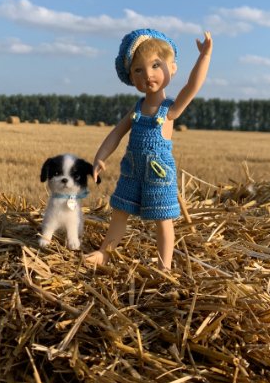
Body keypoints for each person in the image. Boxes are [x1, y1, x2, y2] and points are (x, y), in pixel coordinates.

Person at [85, 28, 213, 271]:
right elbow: (116, 133)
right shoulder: (137, 109)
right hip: (132, 170)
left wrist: (204, 56)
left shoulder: (170, 110)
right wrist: (100, 156)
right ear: (131, 78)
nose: (148, 75)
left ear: (171, 68)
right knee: (119, 212)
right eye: (138, 70)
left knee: (163, 219)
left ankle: (164, 266)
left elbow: (192, 86)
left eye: (156, 65)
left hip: (159, 174)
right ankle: (105, 252)